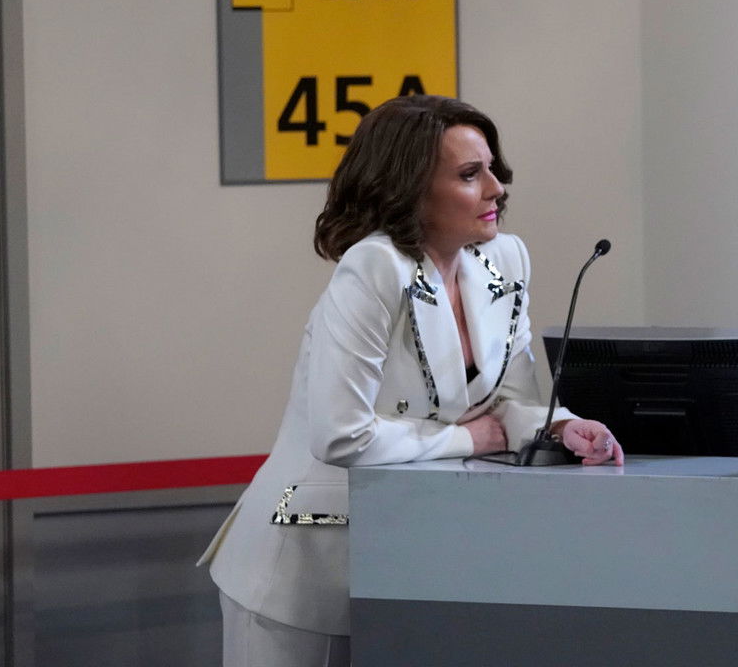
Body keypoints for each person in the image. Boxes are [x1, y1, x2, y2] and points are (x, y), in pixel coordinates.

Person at [199, 94, 624, 666]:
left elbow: (510, 400)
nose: (497, 188)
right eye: (470, 175)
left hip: (412, 554)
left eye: (492, 169)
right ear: (410, 190)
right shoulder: (374, 266)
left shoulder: (505, 259)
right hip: (305, 558)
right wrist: (468, 438)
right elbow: (341, 435)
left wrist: (562, 428)